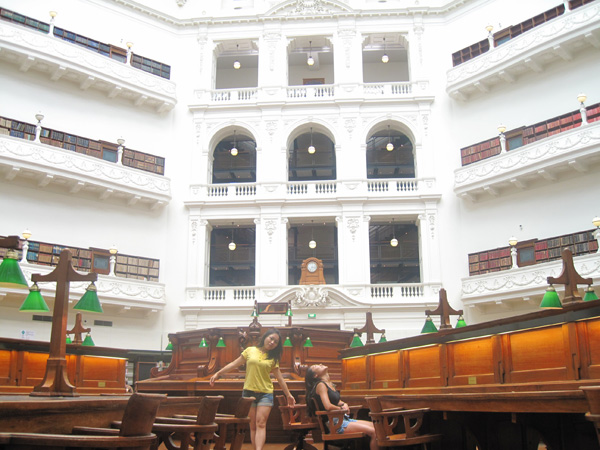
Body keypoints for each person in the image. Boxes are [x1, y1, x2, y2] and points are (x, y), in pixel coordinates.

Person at [209, 328, 295, 450]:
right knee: (253, 426)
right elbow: (234, 364)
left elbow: (280, 378)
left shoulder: (273, 358)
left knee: (261, 423)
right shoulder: (250, 350)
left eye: (275, 342)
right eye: (271, 338)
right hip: (249, 392)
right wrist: (218, 374)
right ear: (265, 337)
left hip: (265, 393)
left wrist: (289, 395)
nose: (272, 342)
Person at [305, 363, 380, 450]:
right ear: (315, 375)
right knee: (375, 432)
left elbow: (337, 401)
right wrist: (341, 409)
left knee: (378, 428)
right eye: (316, 366)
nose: (320, 364)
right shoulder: (321, 385)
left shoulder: (329, 384)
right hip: (335, 424)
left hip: (342, 419)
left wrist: (344, 404)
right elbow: (328, 406)